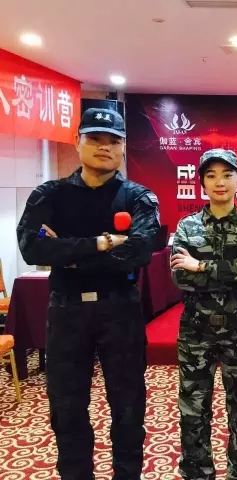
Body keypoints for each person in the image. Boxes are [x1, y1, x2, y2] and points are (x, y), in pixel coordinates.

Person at [16, 108, 161, 479]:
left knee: (128, 406)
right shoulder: (50, 195)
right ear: (77, 142)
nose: (104, 147)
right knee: (67, 409)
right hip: (67, 311)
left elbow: (140, 251)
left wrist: (65, 253)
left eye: (114, 141)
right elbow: (31, 247)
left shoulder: (138, 197)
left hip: (120, 310)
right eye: (95, 138)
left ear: (123, 148)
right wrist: (100, 243)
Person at [170, 148, 237, 480]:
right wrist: (229, 268)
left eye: (227, 175)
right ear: (202, 182)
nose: (219, 182)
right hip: (195, 332)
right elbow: (180, 277)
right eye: (211, 175)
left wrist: (200, 265)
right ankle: (197, 471)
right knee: (193, 409)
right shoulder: (187, 226)